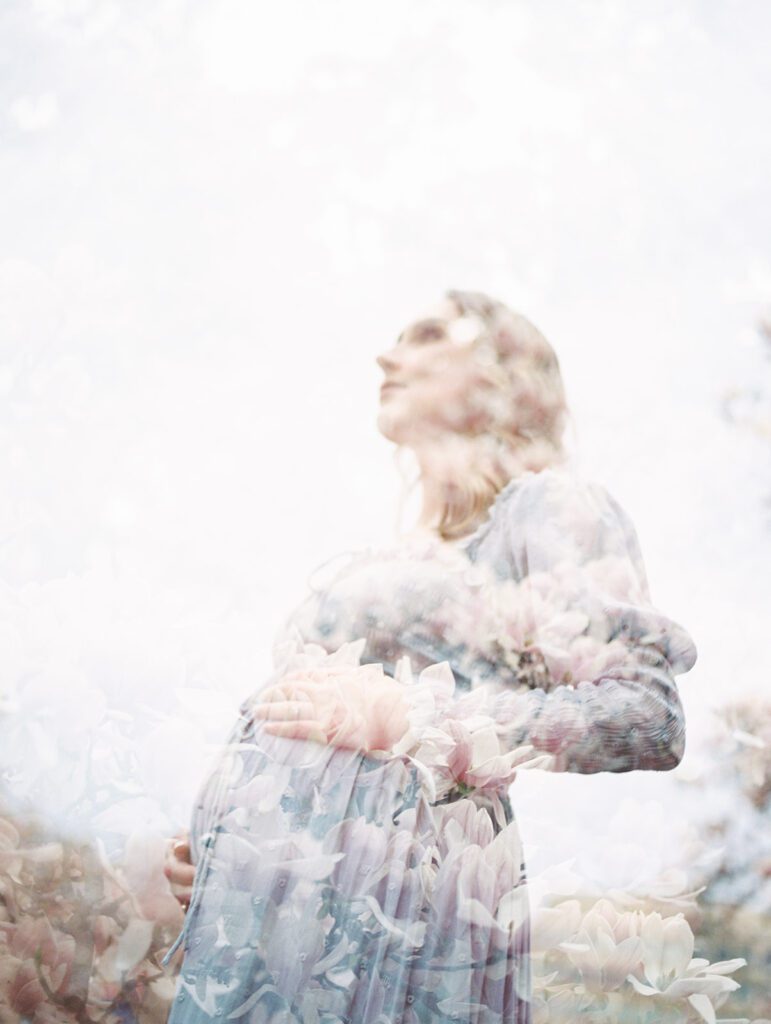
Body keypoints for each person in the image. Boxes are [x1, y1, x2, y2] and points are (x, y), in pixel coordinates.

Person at [162, 290, 698, 1023]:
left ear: (501, 372)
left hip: (401, 913)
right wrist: (229, 845)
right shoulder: (411, 549)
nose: (387, 356)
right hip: (282, 909)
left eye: (425, 336)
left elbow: (647, 718)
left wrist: (407, 716)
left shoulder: (546, 508)